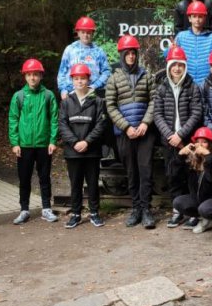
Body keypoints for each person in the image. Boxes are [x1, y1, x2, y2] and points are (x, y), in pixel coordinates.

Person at [105, 35, 156, 230]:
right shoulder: (114, 79)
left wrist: (145, 123)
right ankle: (135, 209)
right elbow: (110, 106)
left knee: (145, 171)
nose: (131, 57)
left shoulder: (147, 75)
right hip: (124, 134)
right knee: (132, 172)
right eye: (128, 53)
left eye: (134, 53)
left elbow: (153, 101)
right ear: (122, 55)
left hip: (145, 133)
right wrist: (126, 127)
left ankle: (146, 210)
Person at [153, 46, 203, 227]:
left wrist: (181, 134)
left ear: (185, 66)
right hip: (169, 143)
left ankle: (192, 212)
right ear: (168, 67)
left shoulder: (193, 87)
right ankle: (177, 210)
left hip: (188, 141)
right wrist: (170, 136)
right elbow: (157, 114)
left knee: (191, 177)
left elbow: (197, 113)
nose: (177, 68)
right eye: (173, 65)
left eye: (180, 65)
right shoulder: (162, 88)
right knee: (173, 176)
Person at [9, 58, 59, 225]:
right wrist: (15, 142)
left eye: (36, 74)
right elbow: (13, 120)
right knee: (24, 179)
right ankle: (24, 210)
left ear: (41, 76)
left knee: (44, 177)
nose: (32, 78)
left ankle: (46, 208)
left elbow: (54, 119)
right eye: (29, 75)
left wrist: (53, 140)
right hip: (24, 145)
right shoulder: (19, 96)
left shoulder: (48, 95)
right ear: (25, 76)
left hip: (44, 144)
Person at [58, 63, 107, 229]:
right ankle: (76, 214)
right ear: (72, 80)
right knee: (75, 183)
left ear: (88, 79)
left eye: (83, 78)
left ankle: (94, 213)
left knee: (93, 183)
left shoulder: (98, 101)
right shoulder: (66, 102)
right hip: (73, 152)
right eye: (76, 78)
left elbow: (101, 124)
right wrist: (75, 142)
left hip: (92, 151)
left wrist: (87, 142)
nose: (80, 81)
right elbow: (62, 124)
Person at [172, 127, 212, 233]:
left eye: (204, 142)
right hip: (199, 198)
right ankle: (204, 218)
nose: (200, 145)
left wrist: (208, 156)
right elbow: (174, 176)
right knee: (178, 202)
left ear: (210, 144)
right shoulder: (192, 158)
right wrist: (179, 156)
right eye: (198, 142)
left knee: (204, 208)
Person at [57, 16, 111, 100]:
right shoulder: (70, 49)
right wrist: (63, 89)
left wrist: (94, 86)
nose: (86, 35)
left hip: (92, 95)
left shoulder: (99, 51)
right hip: (71, 94)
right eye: (83, 32)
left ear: (92, 33)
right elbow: (62, 72)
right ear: (78, 32)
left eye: (88, 32)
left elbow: (106, 72)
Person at [174, 1, 212, 85]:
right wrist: (170, 51)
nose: (197, 19)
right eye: (194, 16)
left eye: (200, 16)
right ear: (189, 18)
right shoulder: (181, 36)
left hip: (207, 84)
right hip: (186, 84)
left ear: (204, 18)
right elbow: (170, 58)